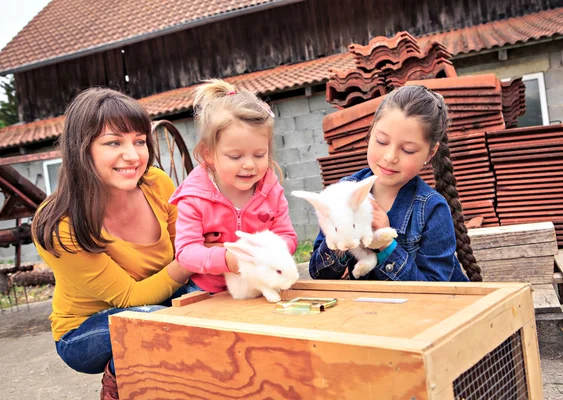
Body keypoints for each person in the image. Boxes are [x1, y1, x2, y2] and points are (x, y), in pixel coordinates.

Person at [32, 88, 194, 400]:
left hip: (160, 304)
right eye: (113, 142)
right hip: (86, 332)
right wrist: (194, 259)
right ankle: (120, 388)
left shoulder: (157, 184)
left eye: (139, 140)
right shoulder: (60, 223)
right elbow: (130, 297)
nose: (133, 156)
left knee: (211, 299)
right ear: (83, 149)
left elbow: (186, 246)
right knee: (151, 322)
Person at [309, 85, 482, 282]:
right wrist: (341, 234)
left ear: (430, 153)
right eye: (382, 141)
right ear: (371, 132)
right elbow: (319, 273)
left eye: (407, 150)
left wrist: (386, 245)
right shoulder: (345, 192)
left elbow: (435, 293)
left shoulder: (431, 209)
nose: (390, 157)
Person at [169, 79, 298, 293]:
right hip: (207, 291)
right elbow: (186, 252)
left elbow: (287, 236)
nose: (249, 164)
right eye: (235, 156)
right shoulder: (193, 198)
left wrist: (270, 252)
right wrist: (227, 260)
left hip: (261, 286)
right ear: (208, 153)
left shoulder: (271, 191)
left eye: (259, 155)